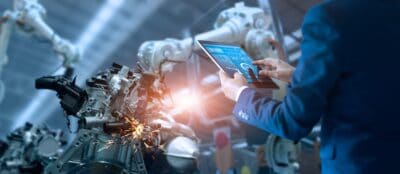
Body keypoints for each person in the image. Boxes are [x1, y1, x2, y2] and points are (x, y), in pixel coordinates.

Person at [218, 0, 400, 173]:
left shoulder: (329, 17)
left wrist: (241, 94)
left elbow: (291, 122)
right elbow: (369, 82)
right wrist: (301, 77)